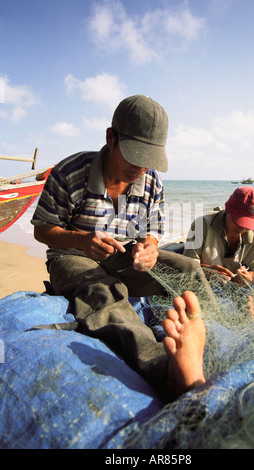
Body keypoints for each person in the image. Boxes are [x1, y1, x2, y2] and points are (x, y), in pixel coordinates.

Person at [31, 94, 203, 400]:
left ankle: (211, 343)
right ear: (111, 138)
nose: (140, 168)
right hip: (72, 256)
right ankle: (165, 370)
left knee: (188, 268)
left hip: (122, 254)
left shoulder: (150, 181)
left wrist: (148, 248)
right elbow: (43, 230)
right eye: (134, 155)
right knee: (104, 292)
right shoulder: (71, 172)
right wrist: (80, 239)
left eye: (148, 159)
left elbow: (151, 232)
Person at [183, 186, 254, 286]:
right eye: (238, 222)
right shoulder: (201, 225)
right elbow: (187, 264)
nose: (243, 228)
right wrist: (206, 270)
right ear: (228, 210)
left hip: (240, 288)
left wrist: (249, 277)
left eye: (249, 225)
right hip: (206, 284)